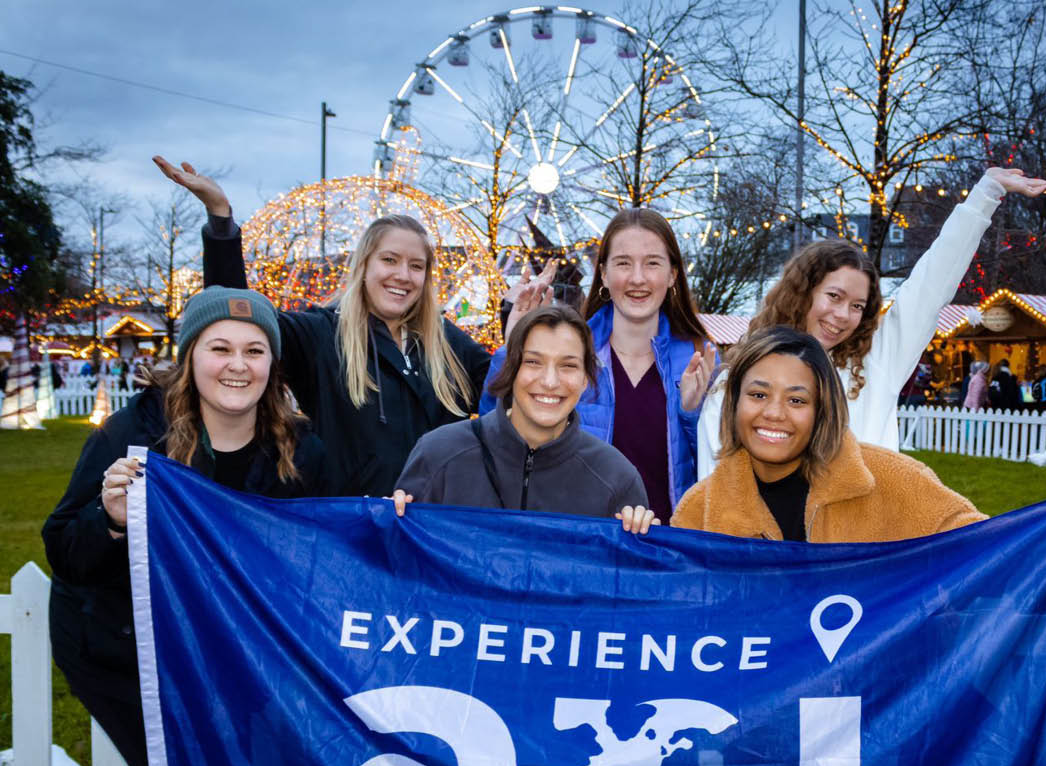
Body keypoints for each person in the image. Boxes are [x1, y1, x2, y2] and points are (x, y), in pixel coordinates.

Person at [41, 287, 327, 766]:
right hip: (117, 642)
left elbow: (329, 547)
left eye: (254, 349)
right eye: (220, 348)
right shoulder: (132, 435)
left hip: (228, 647)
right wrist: (107, 518)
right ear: (190, 356)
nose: (238, 365)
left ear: (273, 362)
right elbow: (63, 551)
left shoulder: (300, 444)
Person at [154, 156, 494, 496]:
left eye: (416, 266)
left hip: (431, 526)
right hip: (349, 530)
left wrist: (518, 325)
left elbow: (508, 389)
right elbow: (237, 315)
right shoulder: (321, 334)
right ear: (364, 264)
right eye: (389, 260)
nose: (402, 276)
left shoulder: (446, 342)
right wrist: (221, 223)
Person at [696, 168, 1046, 475]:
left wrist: (986, 193)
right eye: (834, 297)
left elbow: (929, 287)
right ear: (801, 292)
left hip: (867, 547)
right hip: (768, 551)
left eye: (857, 306)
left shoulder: (875, 363)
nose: (842, 316)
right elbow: (713, 484)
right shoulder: (742, 380)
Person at [673, 326, 1046, 543]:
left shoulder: (890, 479)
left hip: (864, 709)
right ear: (733, 404)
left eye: (796, 400)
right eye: (757, 394)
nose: (773, 414)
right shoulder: (700, 508)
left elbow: (982, 548)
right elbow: (665, 619)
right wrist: (639, 539)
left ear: (822, 410)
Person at [479, 208, 716, 524]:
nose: (637, 278)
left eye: (652, 263)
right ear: (602, 273)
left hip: (668, 551)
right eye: (623, 263)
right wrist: (512, 353)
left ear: (673, 274)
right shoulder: (568, 355)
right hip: (581, 546)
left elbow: (721, 472)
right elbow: (495, 441)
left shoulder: (701, 361)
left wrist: (691, 412)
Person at [392, 304, 654, 533]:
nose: (550, 381)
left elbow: (632, 583)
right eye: (533, 362)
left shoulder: (616, 478)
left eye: (568, 365)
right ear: (511, 369)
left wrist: (642, 544)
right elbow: (396, 569)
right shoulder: (439, 454)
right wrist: (383, 524)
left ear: (585, 379)